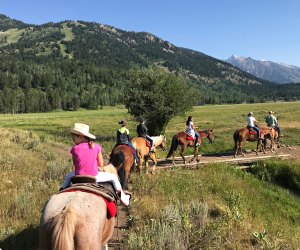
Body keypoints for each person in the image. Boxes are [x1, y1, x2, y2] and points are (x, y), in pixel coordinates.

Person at [62, 123, 130, 206]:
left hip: (78, 175)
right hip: (94, 175)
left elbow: (75, 164)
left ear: (81, 136)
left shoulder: (74, 148)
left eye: (74, 138)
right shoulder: (96, 147)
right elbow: (101, 165)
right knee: (114, 177)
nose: (73, 140)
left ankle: (62, 190)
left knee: (68, 176)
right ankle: (124, 199)